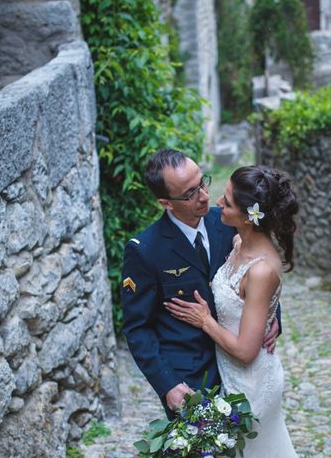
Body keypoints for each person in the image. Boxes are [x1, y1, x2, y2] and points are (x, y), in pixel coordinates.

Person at [121, 150, 280, 419]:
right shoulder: (146, 250)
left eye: (202, 183)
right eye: (189, 193)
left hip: (239, 370)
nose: (204, 196)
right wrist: (167, 385)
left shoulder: (230, 220)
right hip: (190, 379)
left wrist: (273, 314)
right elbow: (138, 328)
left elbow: (258, 271)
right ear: (166, 203)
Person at [165, 165, 299, 457]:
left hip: (251, 384)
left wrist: (205, 321)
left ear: (250, 216)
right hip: (231, 378)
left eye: (226, 201)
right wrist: (269, 317)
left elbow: (246, 350)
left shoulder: (262, 269)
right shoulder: (238, 241)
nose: (217, 203)